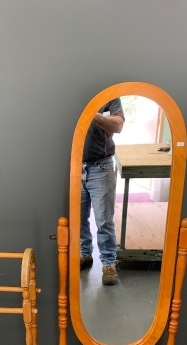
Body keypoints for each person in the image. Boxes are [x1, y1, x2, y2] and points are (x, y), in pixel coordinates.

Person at [80, 98, 124, 285]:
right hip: (75, 167)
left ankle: (108, 263)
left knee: (104, 220)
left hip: (101, 167)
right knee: (79, 218)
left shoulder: (110, 96)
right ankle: (84, 254)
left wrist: (92, 114)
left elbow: (118, 125)